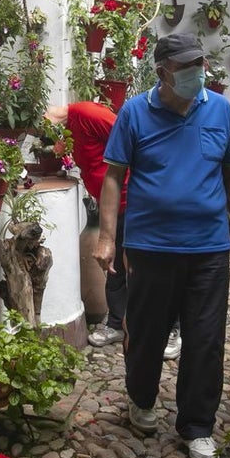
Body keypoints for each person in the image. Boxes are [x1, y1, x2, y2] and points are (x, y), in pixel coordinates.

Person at [93, 33, 230, 458]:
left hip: (207, 249)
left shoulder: (220, 109)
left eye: (199, 64)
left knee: (205, 340)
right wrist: (108, 238)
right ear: (163, 72)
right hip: (149, 248)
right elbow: (113, 177)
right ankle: (141, 399)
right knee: (147, 334)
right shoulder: (134, 112)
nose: (196, 73)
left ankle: (198, 425)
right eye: (186, 67)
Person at [42, 103, 183, 359]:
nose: (39, 132)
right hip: (111, 205)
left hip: (136, 199)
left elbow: (131, 138)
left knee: (153, 267)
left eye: (39, 124)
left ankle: (171, 329)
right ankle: (117, 323)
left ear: (47, 113)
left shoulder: (86, 113)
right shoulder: (66, 130)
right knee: (114, 264)